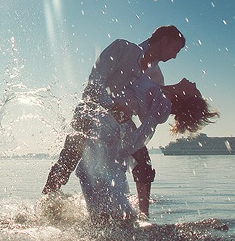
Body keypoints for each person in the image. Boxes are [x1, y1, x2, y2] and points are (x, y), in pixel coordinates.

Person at [42, 25, 185, 196]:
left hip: (121, 124)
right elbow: (95, 81)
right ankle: (45, 203)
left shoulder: (156, 77)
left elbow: (149, 112)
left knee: (144, 164)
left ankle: (144, 218)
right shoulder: (122, 48)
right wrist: (111, 107)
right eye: (175, 49)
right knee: (68, 160)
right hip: (89, 113)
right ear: (164, 40)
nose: (175, 56)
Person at [76, 78, 218, 222]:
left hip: (106, 145)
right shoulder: (160, 90)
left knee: (109, 216)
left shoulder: (163, 104)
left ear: (186, 97)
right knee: (105, 214)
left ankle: (140, 220)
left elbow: (141, 134)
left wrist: (118, 119)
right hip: (102, 141)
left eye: (195, 90)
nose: (193, 83)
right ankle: (138, 221)